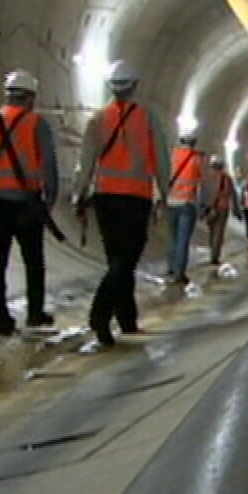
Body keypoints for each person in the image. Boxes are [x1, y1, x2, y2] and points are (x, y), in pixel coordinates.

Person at [72, 59, 171, 347]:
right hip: (135, 198)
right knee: (125, 261)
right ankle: (99, 315)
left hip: (105, 198)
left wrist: (79, 194)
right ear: (135, 86)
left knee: (117, 259)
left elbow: (85, 161)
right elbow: (162, 161)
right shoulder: (148, 118)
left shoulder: (98, 119)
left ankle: (127, 320)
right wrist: (165, 194)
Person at [0, 69, 58, 336]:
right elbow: (48, 163)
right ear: (29, 97)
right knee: (33, 260)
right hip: (26, 201)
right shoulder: (36, 124)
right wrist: (49, 198)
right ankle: (35, 314)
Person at [164, 133, 207, 286]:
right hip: (188, 204)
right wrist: (202, 206)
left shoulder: (171, 156)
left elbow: (163, 177)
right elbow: (201, 186)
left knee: (172, 238)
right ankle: (179, 273)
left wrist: (159, 198)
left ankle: (170, 268)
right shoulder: (197, 160)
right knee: (183, 240)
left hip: (171, 202)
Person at [205, 159, 236, 266]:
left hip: (209, 207)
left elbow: (203, 192)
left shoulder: (208, 178)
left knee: (211, 231)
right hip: (222, 207)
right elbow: (233, 193)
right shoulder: (226, 178)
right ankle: (215, 255)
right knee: (219, 232)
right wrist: (236, 208)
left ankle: (212, 253)